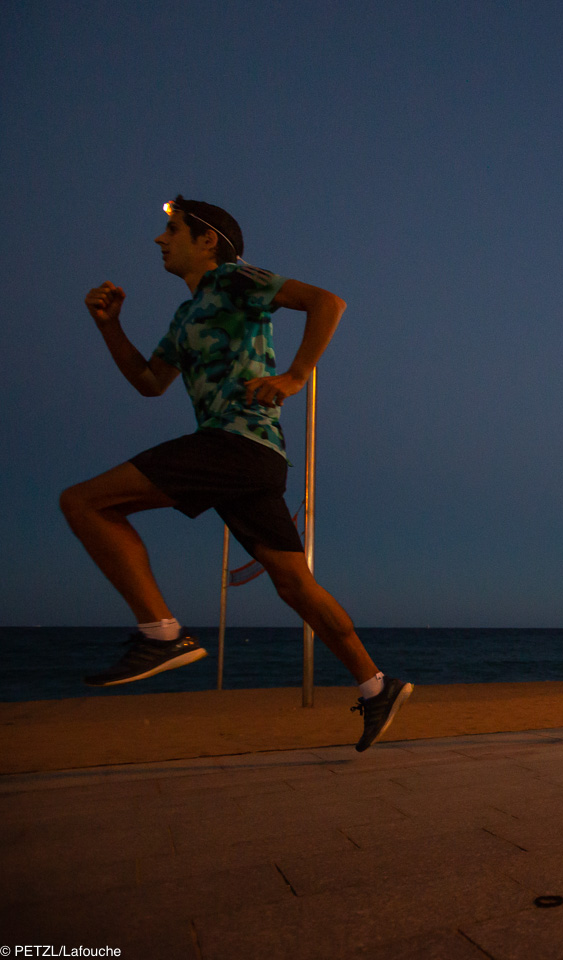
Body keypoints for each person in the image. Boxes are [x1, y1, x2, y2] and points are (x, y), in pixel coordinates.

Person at [63, 196, 411, 752]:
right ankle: (377, 686)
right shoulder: (185, 316)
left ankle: (161, 633)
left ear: (207, 241)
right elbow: (151, 382)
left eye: (171, 229)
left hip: (234, 443)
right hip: (252, 458)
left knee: (83, 503)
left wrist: (296, 375)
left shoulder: (235, 277)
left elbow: (327, 302)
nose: (159, 239)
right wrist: (109, 326)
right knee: (294, 584)